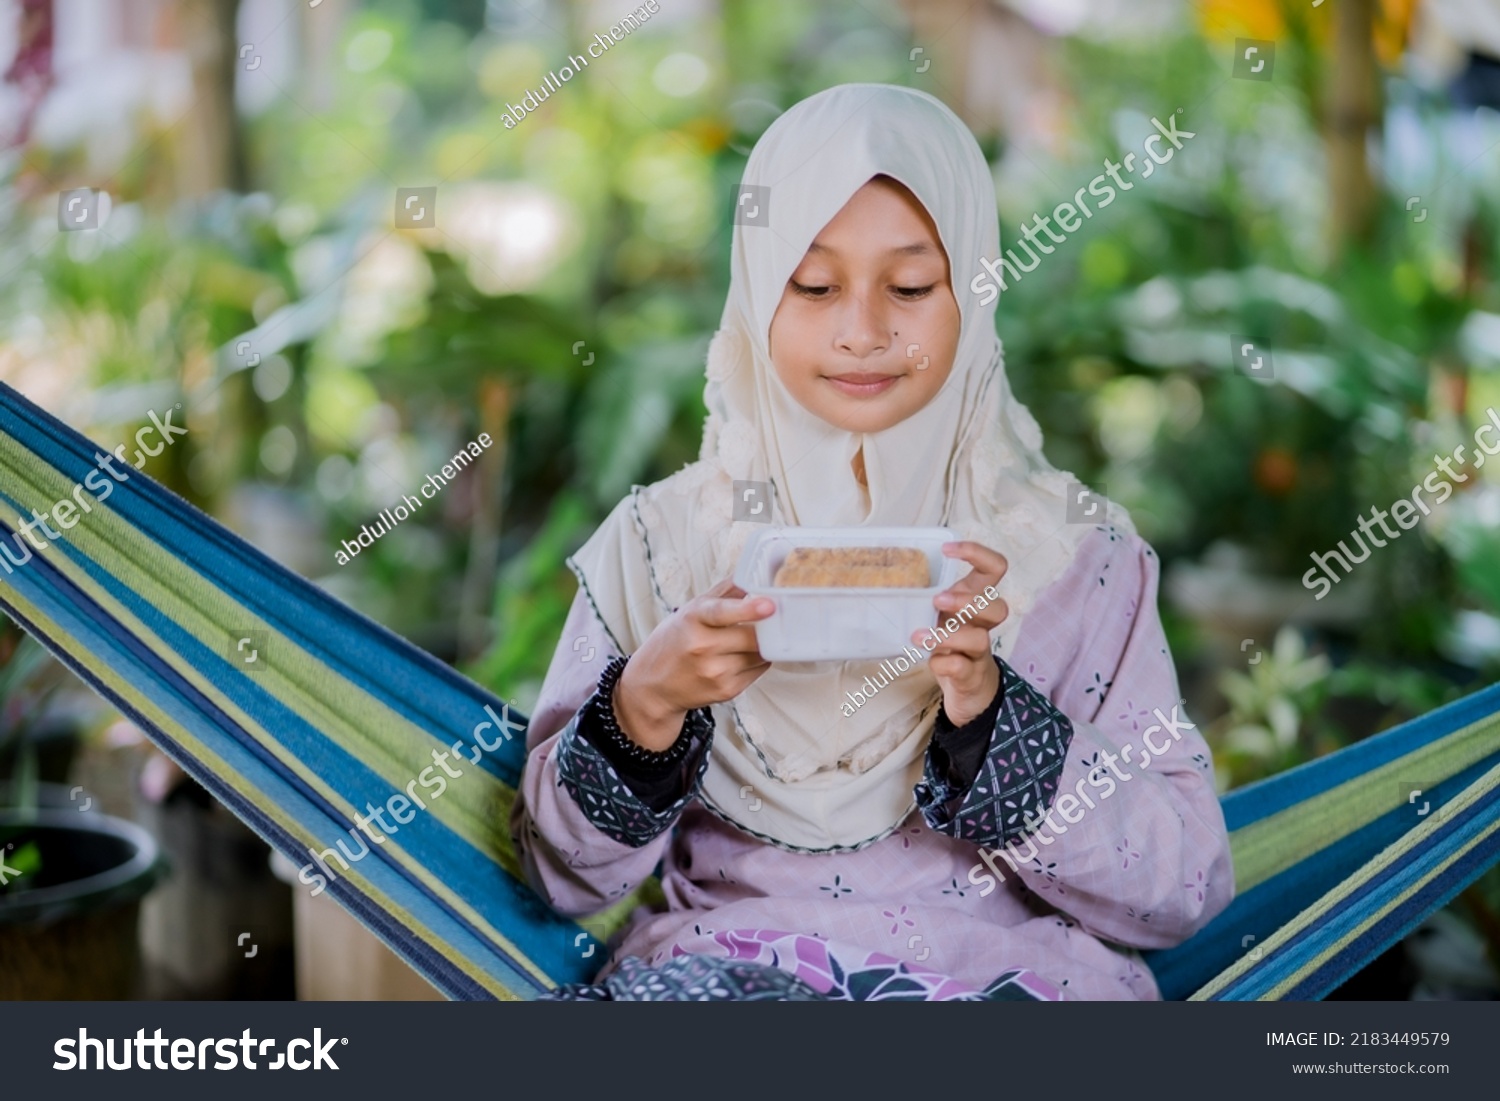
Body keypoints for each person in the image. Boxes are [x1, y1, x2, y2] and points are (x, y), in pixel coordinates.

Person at [511, 83, 1233, 1001]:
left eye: (910, 286)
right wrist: (645, 705)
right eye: (812, 286)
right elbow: (560, 878)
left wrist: (993, 722)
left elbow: (1184, 888)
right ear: (756, 286)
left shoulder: (1075, 561)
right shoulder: (660, 549)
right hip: (728, 981)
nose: (863, 331)